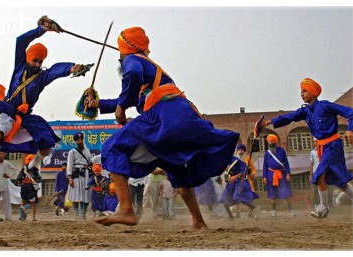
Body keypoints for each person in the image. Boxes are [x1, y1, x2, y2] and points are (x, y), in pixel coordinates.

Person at [87, 26, 239, 229]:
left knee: (112, 147)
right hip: (180, 116)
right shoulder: (150, 70)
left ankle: (125, 210)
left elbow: (131, 77)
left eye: (120, 53)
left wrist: (121, 108)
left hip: (163, 116)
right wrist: (99, 105)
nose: (120, 58)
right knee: (177, 170)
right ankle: (199, 222)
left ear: (126, 49)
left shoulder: (132, 61)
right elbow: (133, 95)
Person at [0, 16, 86, 183]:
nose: (38, 64)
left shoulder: (42, 76)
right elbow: (21, 40)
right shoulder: (20, 66)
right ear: (28, 58)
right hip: (8, 110)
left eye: (40, 61)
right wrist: (42, 30)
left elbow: (55, 70)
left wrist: (71, 68)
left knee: (47, 141)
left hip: (25, 116)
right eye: (35, 60)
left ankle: (32, 167)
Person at [258, 78, 353, 219]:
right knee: (339, 181)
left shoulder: (325, 106)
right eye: (301, 91)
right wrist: (266, 123)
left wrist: (351, 129)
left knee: (319, 174)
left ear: (314, 92)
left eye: (305, 91)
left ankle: (323, 207)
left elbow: (352, 113)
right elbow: (288, 117)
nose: (301, 94)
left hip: (333, 146)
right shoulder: (305, 111)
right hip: (321, 148)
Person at [262, 134, 295, 217]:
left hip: (282, 174)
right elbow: (265, 165)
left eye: (273, 140)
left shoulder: (281, 151)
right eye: (270, 141)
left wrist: (288, 173)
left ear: (275, 141)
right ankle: (274, 211)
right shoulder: (266, 153)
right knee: (272, 194)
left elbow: (286, 162)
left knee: (286, 192)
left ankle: (290, 210)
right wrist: (264, 177)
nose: (271, 142)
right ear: (268, 142)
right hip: (270, 175)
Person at [66, 132, 92, 220]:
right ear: (75, 141)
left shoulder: (87, 150)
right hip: (76, 175)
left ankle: (83, 213)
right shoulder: (72, 152)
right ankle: (77, 215)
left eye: (81, 140)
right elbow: (69, 165)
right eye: (78, 140)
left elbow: (90, 161)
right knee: (75, 196)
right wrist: (70, 178)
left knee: (86, 195)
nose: (80, 141)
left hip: (86, 174)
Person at [0, 150, 17, 221]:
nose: (1, 155)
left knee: (7, 201)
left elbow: (15, 169)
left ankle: (8, 217)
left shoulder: (7, 163)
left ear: (4, 155)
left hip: (5, 185)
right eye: (0, 154)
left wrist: (9, 175)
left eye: (3, 154)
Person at [233, 144, 257, 218]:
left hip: (247, 179)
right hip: (237, 180)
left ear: (244, 151)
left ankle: (251, 212)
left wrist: (252, 174)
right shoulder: (234, 159)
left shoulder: (248, 159)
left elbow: (253, 169)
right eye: (239, 150)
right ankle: (237, 212)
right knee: (237, 196)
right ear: (237, 151)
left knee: (250, 195)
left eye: (242, 150)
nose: (240, 152)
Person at [17, 154, 40, 221]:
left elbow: (19, 178)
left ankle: (21, 217)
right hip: (31, 186)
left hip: (24, 186)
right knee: (33, 202)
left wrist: (21, 182)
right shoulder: (35, 170)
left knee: (23, 200)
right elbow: (38, 179)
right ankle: (33, 217)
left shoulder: (24, 169)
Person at [309, 139, 320, 207]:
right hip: (315, 172)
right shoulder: (312, 152)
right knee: (316, 189)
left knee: (326, 188)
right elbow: (311, 163)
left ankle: (327, 204)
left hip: (324, 171)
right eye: (315, 141)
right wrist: (310, 175)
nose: (316, 143)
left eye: (317, 141)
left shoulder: (324, 150)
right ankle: (316, 204)